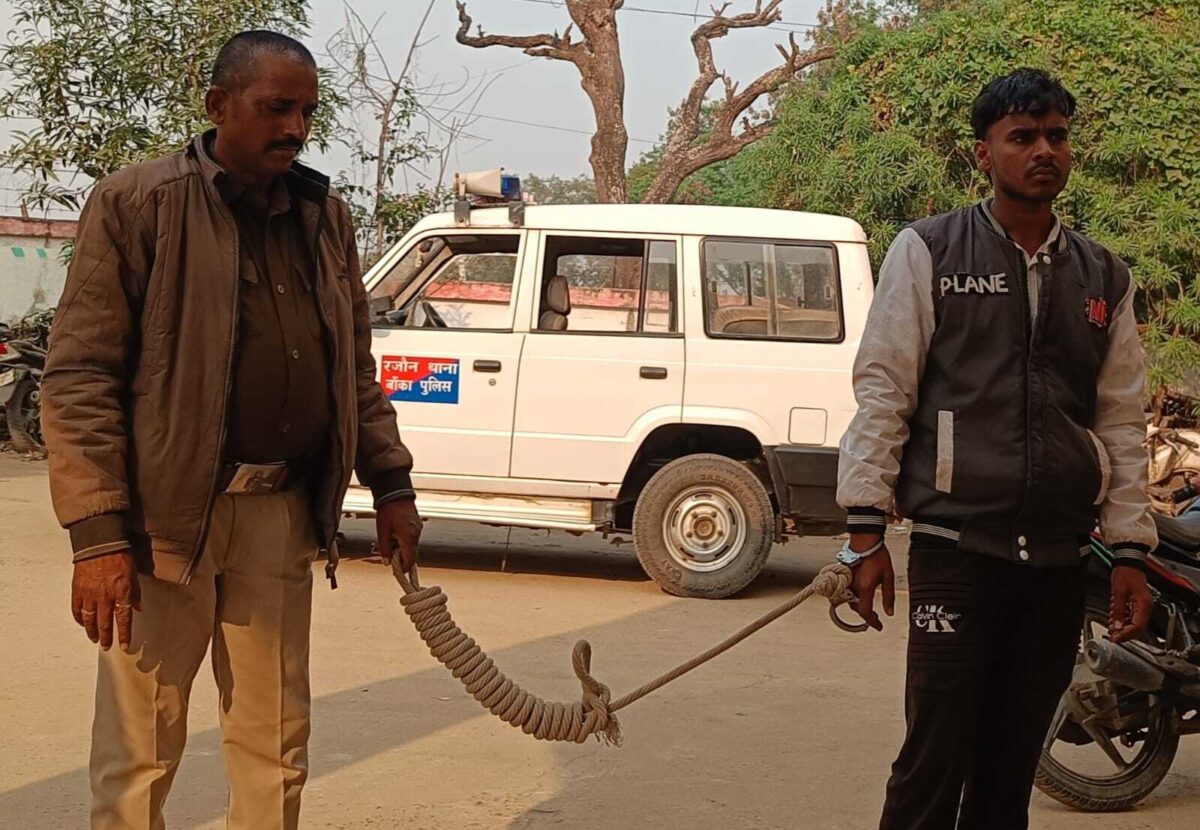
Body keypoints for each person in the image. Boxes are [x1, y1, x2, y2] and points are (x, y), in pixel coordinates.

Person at [42, 30, 421, 830]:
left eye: (307, 112)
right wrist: (97, 537)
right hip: (164, 523)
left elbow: (353, 368)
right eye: (277, 107)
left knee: (276, 741)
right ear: (219, 105)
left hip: (280, 515)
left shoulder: (324, 217)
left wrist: (392, 483)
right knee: (141, 748)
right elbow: (80, 378)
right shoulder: (139, 203)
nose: (295, 128)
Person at [836, 68, 1157, 829]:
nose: (1044, 150)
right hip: (957, 551)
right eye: (1022, 137)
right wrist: (864, 530)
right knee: (932, 761)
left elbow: (1120, 419)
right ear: (984, 154)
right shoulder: (928, 251)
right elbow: (884, 389)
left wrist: (1131, 550)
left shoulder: (1104, 275)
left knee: (1008, 773)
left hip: (1056, 563)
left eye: (1056, 136)